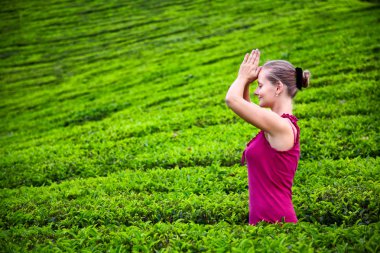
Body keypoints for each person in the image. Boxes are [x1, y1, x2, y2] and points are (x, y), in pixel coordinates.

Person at [225, 49, 311, 226]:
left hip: (276, 222)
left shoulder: (281, 126)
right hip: (266, 222)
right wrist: (247, 82)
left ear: (278, 87)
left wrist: (242, 77)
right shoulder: (276, 125)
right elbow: (245, 104)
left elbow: (232, 100)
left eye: (261, 85)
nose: (257, 91)